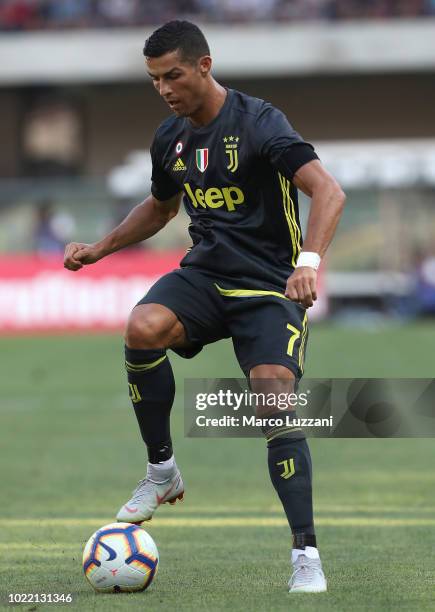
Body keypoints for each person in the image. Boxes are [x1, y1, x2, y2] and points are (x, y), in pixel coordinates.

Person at [64, 20, 345, 593]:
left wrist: (308, 263)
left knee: (272, 400)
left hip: (269, 286)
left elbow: (328, 190)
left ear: (203, 66)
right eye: (154, 80)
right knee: (142, 327)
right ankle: (161, 470)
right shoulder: (170, 138)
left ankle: (306, 555)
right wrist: (100, 248)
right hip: (207, 276)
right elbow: (162, 208)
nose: (165, 89)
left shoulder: (260, 122)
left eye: (173, 75)